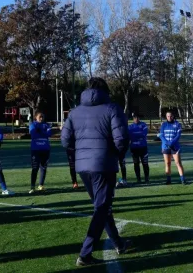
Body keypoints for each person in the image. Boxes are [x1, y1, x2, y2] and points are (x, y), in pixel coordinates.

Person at [61, 77, 131, 266]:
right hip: (104, 165)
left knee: (102, 206)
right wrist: (116, 155)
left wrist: (81, 153)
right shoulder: (112, 108)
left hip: (83, 166)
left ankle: (118, 243)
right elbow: (122, 139)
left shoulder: (74, 112)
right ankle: (85, 254)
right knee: (101, 208)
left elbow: (65, 141)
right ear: (105, 91)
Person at [159, 111, 187, 185]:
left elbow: (178, 135)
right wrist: (167, 143)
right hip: (165, 147)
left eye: (170, 116)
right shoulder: (164, 125)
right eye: (168, 116)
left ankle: (183, 180)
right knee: (167, 163)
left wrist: (172, 143)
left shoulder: (177, 124)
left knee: (178, 163)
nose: (169, 117)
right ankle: (168, 180)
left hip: (175, 147)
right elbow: (161, 135)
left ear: (173, 116)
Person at [29, 111, 52, 193]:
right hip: (36, 150)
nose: (41, 118)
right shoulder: (33, 125)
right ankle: (32, 187)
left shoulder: (47, 125)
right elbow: (33, 134)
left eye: (42, 117)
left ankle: (41, 185)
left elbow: (49, 134)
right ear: (36, 117)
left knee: (44, 167)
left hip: (45, 149)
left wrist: (40, 132)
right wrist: (43, 133)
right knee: (35, 168)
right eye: (40, 117)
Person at [128, 112, 149, 184]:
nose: (136, 119)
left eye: (137, 117)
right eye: (134, 118)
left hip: (143, 147)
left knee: (145, 163)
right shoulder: (130, 127)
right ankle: (138, 179)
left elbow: (144, 134)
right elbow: (129, 136)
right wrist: (138, 134)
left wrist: (134, 134)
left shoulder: (143, 125)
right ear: (133, 119)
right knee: (136, 164)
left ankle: (147, 178)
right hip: (134, 148)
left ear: (139, 118)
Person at [61, 112, 78, 189]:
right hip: (71, 148)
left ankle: (86, 181)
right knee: (72, 166)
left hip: (79, 147)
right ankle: (74, 182)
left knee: (82, 165)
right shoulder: (67, 125)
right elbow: (64, 137)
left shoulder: (80, 123)